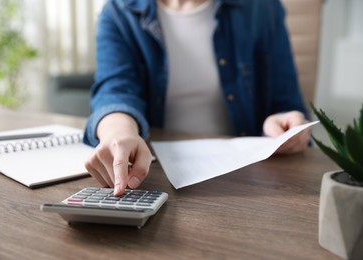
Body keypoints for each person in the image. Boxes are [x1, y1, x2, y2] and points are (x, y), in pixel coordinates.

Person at [83, 0, 311, 196]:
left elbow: (287, 102)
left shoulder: (261, 7)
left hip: (248, 178)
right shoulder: (119, 11)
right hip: (156, 178)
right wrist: (118, 132)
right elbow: (114, 90)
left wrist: (286, 125)